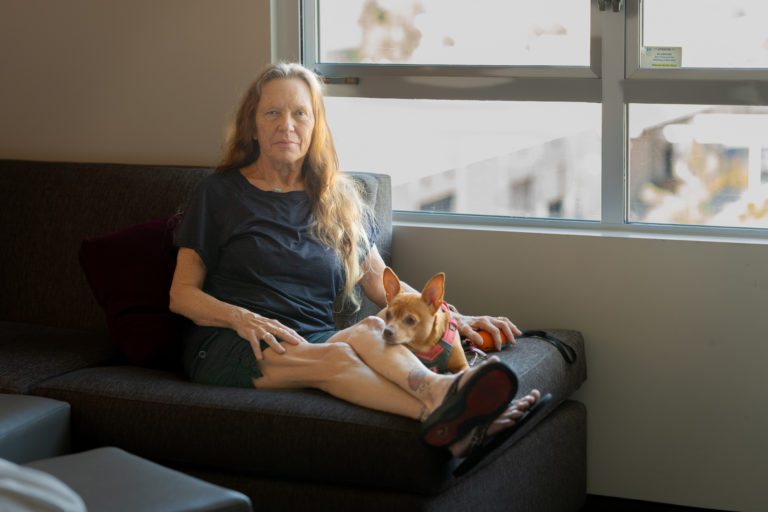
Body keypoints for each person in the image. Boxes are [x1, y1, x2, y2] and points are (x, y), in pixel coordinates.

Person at [169, 62, 541, 461]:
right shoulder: (220, 193)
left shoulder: (337, 200)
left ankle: (450, 408)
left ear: (316, 125)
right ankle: (442, 409)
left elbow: (383, 284)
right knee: (339, 356)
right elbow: (182, 295)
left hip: (313, 338)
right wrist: (242, 318)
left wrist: (454, 319)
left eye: (300, 113)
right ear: (253, 124)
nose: (286, 125)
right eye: (272, 112)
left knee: (370, 327)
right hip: (237, 345)